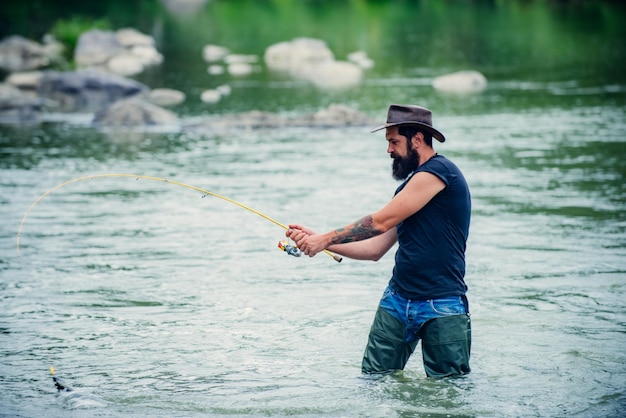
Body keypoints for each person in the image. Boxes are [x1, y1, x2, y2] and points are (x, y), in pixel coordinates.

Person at [286, 104, 471, 377]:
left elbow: (379, 222)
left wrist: (325, 238)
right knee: (372, 383)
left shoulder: (439, 173)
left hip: (442, 305)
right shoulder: (408, 189)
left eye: (394, 142)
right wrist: (320, 240)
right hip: (396, 301)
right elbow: (375, 249)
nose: (389, 150)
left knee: (447, 394)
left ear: (417, 139)